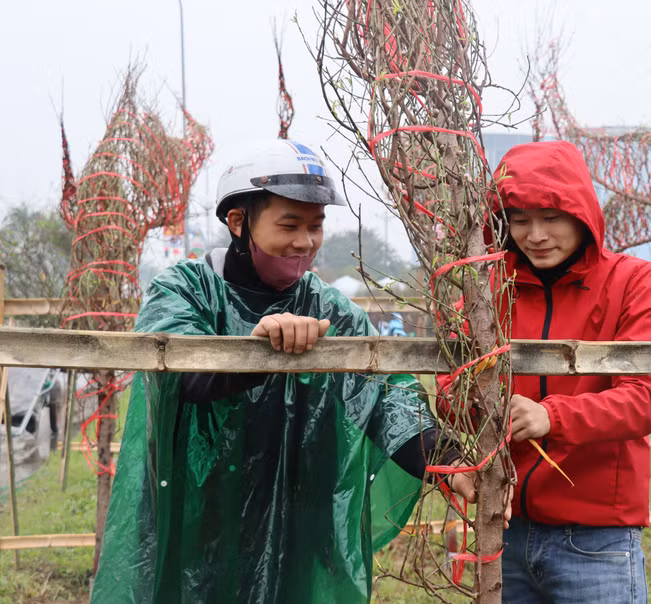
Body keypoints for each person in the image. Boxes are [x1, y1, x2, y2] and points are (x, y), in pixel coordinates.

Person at [91, 140, 494, 603]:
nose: (305, 242)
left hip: (295, 527)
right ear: (239, 222)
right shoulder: (183, 291)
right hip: (197, 524)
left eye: (316, 227)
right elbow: (181, 379)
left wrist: (446, 460)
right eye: (289, 225)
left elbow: (385, 397)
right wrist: (256, 352)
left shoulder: (328, 310)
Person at [491, 141, 651, 603]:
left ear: (582, 213)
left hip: (595, 539)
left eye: (551, 217)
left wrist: (554, 417)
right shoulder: (489, 289)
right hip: (502, 529)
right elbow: (455, 383)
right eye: (519, 219)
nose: (535, 235)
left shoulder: (635, 282)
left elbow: (645, 399)